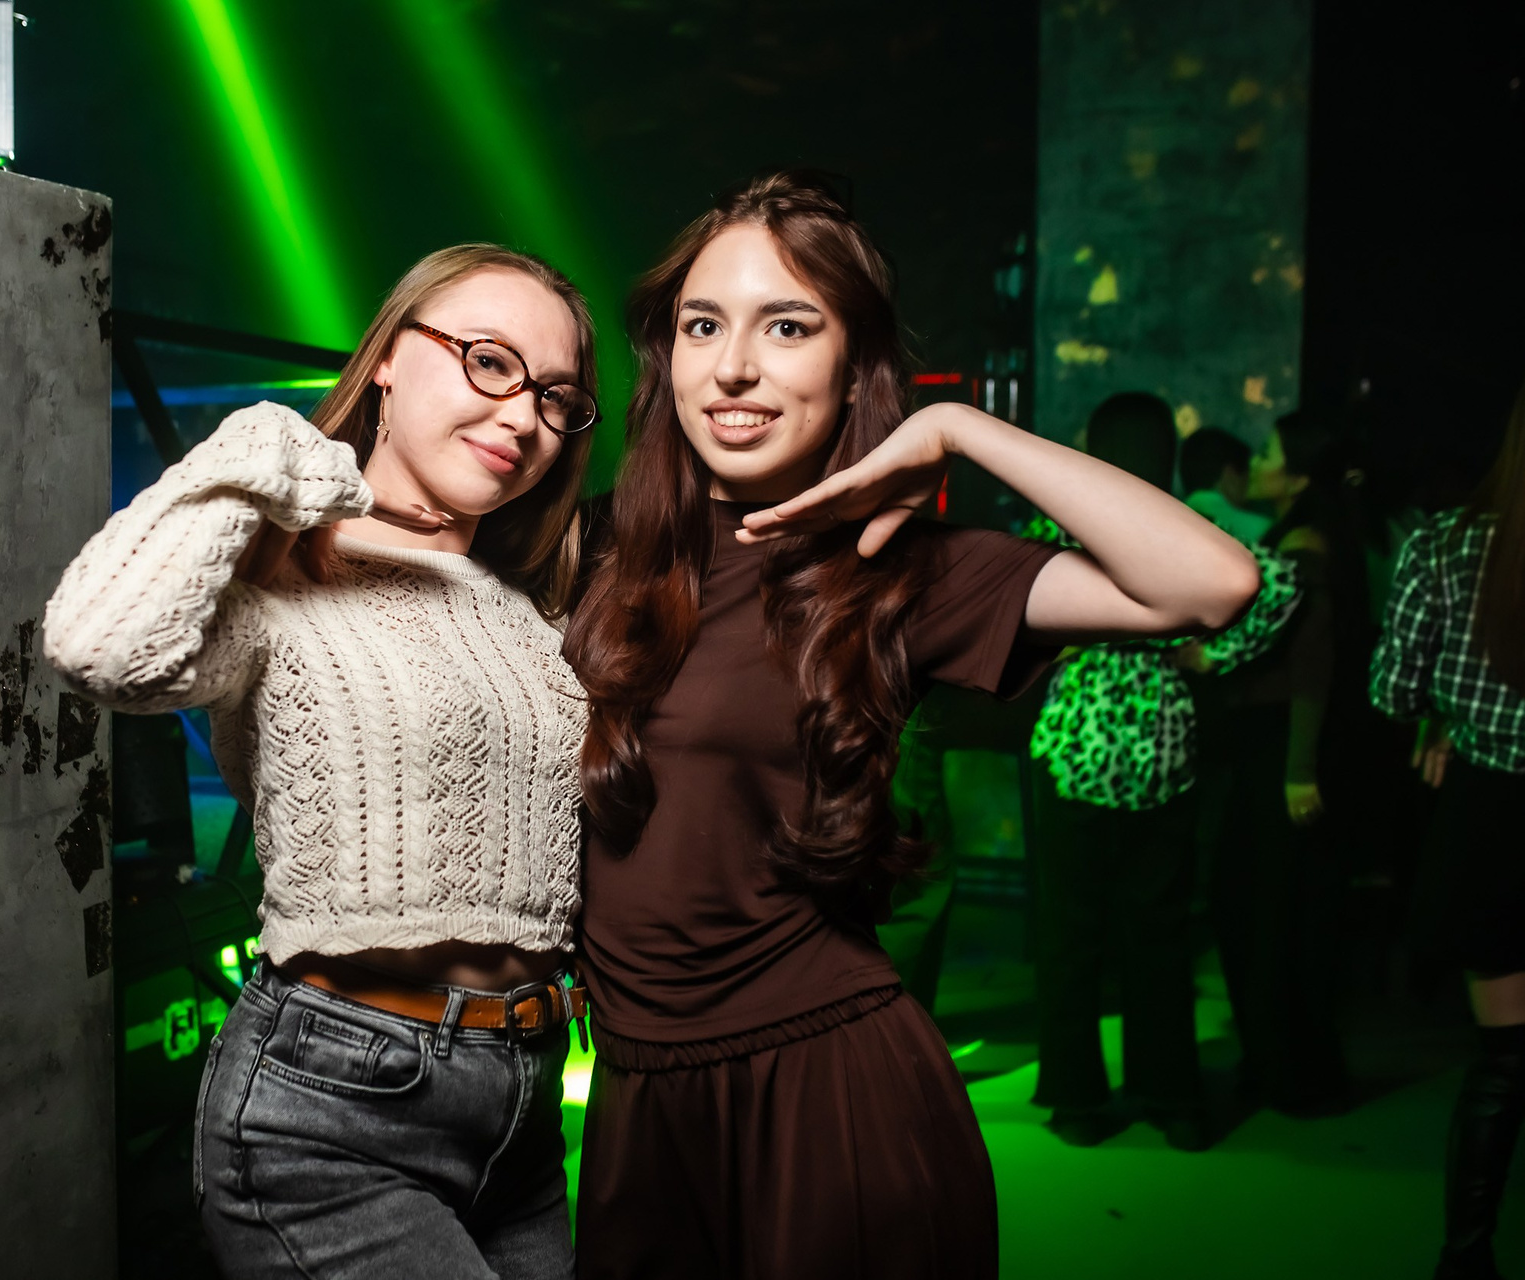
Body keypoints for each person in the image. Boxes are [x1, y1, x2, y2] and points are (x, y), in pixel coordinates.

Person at [562, 172, 1258, 1280]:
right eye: (703, 325)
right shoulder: (592, 551)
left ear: (853, 370)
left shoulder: (897, 571)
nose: (733, 367)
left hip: (828, 1086)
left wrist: (957, 429)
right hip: (639, 1101)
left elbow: (1212, 584)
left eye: (788, 327)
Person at [44, 244, 601, 1280]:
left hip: (520, 1106)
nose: (523, 415)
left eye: (555, 396)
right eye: (489, 361)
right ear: (387, 357)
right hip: (331, 1107)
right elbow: (98, 647)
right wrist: (262, 449)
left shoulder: (533, 613)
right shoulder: (279, 580)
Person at [1024, 393, 1210, 1152]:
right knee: (1159, 930)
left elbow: (1025, 627)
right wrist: (1188, 649)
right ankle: (1172, 1094)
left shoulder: (1058, 525)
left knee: (1070, 930)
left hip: (1075, 745)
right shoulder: (1187, 526)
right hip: (1164, 749)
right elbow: (1244, 617)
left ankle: (1076, 1097)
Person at [1371, 380, 1525, 1280]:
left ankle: (1467, 1257)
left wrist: (1447, 719)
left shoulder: (1444, 543)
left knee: (1503, 1062)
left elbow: (1394, 690)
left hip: (1493, 816)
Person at [1204, 410, 1364, 1117]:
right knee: (1280, 909)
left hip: (1279, 748)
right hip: (1280, 744)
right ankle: (1289, 1066)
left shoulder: (1304, 545)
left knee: (1267, 911)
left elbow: (1312, 667)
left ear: (1297, 472)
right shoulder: (1311, 535)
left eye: (1269, 451)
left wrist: (1299, 767)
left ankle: (1285, 1071)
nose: (1257, 460)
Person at [1180, 425, 1273, 546]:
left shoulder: (1176, 513)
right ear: (1231, 474)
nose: (1249, 493)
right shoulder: (1204, 504)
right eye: (1248, 478)